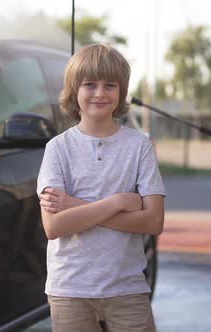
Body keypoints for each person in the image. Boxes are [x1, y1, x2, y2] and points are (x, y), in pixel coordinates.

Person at [36, 43, 166, 332]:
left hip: (127, 287)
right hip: (70, 289)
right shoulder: (57, 149)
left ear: (121, 92)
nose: (99, 93)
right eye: (89, 84)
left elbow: (154, 221)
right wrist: (119, 201)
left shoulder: (139, 147)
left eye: (110, 85)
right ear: (74, 90)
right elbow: (54, 227)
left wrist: (76, 205)